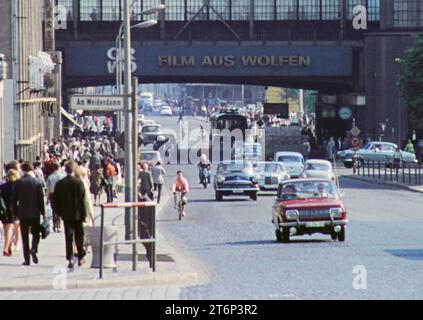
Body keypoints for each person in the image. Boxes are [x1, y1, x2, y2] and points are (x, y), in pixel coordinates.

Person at [53, 161, 88, 269]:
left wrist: (58, 212)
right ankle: (81, 255)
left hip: (66, 214)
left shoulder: (60, 184)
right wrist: (84, 214)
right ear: (74, 170)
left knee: (68, 236)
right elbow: (83, 200)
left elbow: (56, 200)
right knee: (79, 235)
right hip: (78, 213)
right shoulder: (79, 182)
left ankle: (70, 257)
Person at [11, 162, 45, 266]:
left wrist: (15, 213)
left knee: (24, 236)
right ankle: (34, 248)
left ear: (23, 170)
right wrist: (43, 212)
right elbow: (41, 199)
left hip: (23, 212)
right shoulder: (37, 182)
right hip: (35, 212)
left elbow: (14, 200)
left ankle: (27, 259)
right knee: (36, 233)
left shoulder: (18, 183)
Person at [0, 169, 20, 256]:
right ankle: (6, 248)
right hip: (13, 209)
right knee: (9, 228)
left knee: (6, 229)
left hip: (3, 210)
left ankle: (9, 246)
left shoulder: (3, 186)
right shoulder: (16, 186)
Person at [46, 162, 64, 232]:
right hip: (60, 194)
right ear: (59, 168)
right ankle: (58, 226)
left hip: (52, 194)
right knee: (59, 210)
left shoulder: (50, 177)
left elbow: (47, 188)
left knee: (54, 210)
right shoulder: (61, 176)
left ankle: (54, 225)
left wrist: (47, 198)